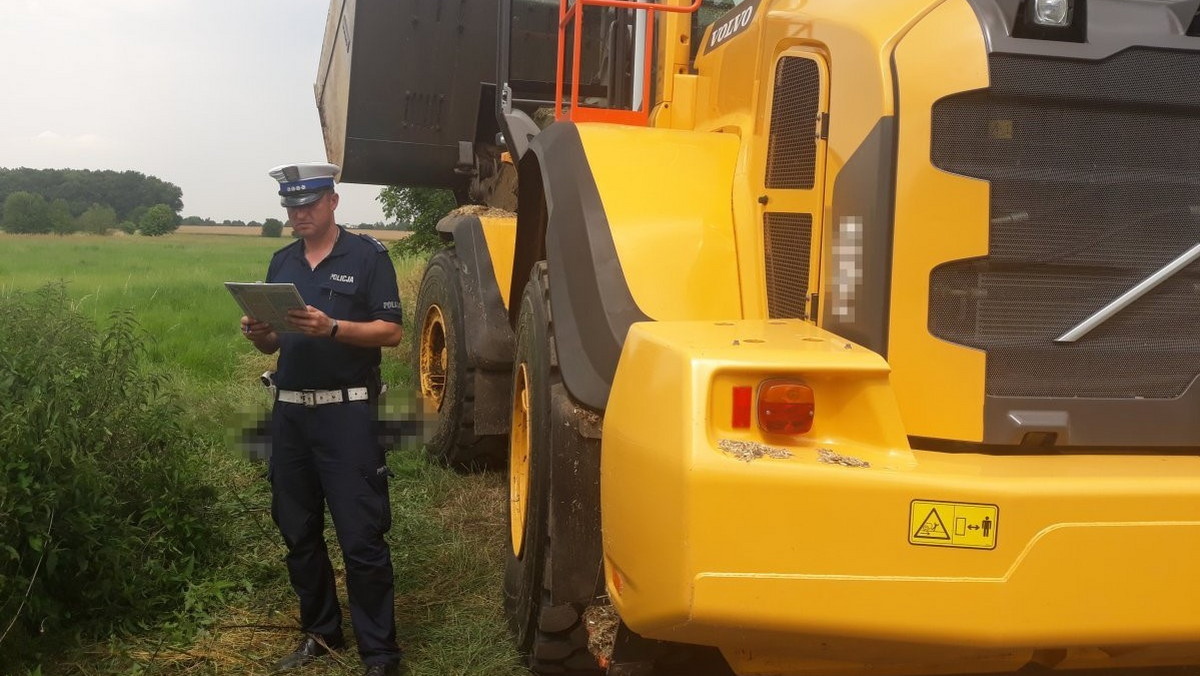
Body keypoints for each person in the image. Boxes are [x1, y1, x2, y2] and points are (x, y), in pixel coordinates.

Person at [241, 162, 405, 676]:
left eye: (308, 204)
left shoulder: (368, 257)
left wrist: (333, 327)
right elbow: (274, 340)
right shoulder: (281, 262)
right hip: (290, 414)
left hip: (348, 413)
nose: (298, 214)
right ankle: (321, 632)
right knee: (298, 530)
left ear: (333, 201)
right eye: (290, 206)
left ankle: (380, 654)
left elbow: (391, 332)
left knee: (361, 536)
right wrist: (259, 334)